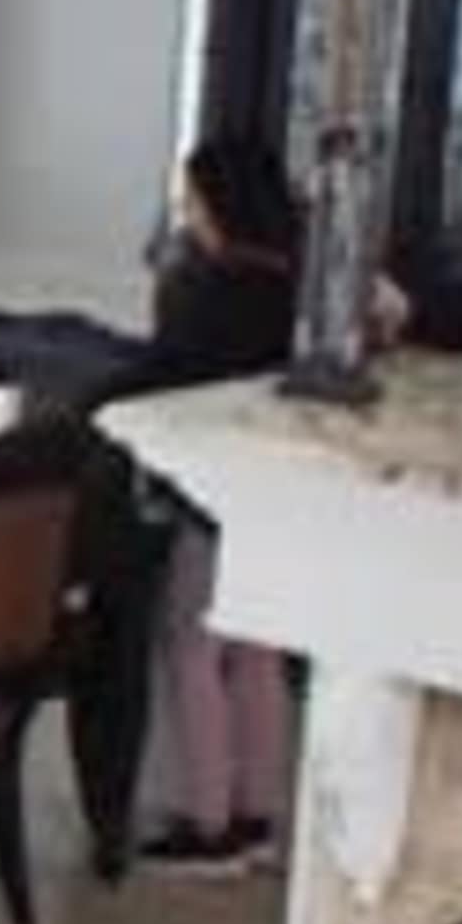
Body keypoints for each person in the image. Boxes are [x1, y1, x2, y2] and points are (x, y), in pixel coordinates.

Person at [133, 135, 300, 868]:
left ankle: (207, 824)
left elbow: (164, 376)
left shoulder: (206, 289)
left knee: (191, 644)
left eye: (194, 201)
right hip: (278, 492)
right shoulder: (294, 282)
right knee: (259, 649)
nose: (188, 215)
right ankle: (258, 815)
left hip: (213, 491)